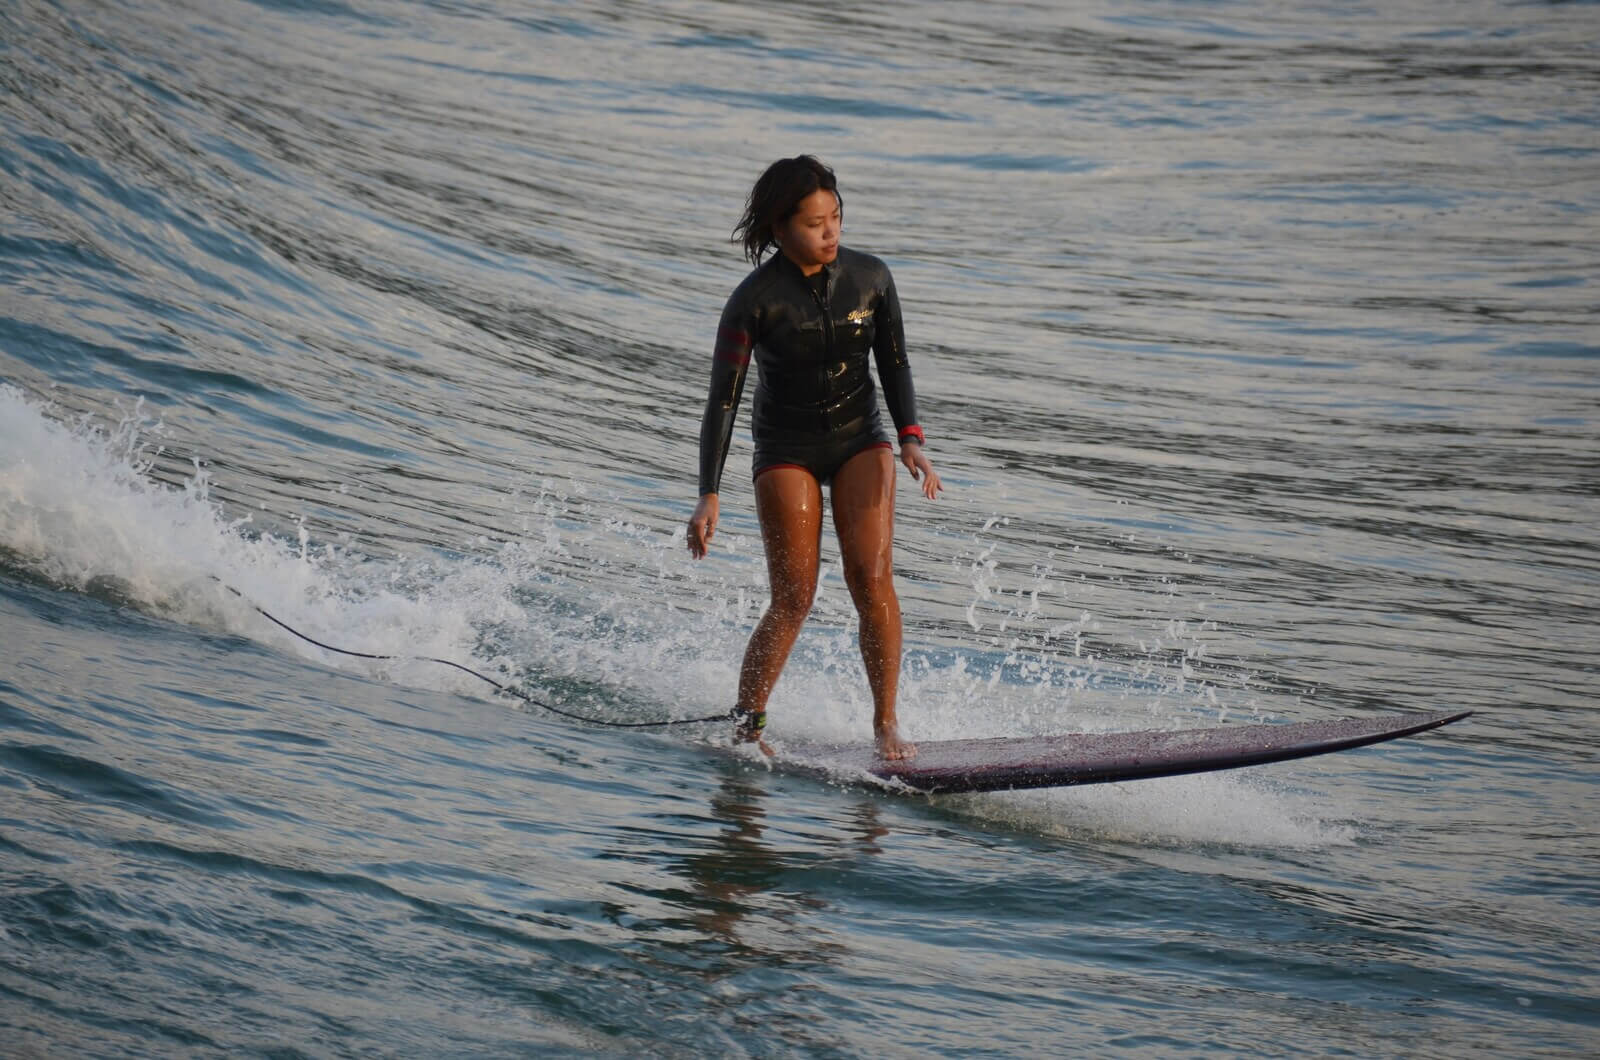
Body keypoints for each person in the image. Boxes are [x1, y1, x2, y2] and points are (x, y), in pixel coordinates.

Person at [686, 155, 941, 761]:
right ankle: (747, 728)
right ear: (780, 227)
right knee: (794, 596)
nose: (830, 232)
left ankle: (885, 725)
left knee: (871, 580)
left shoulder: (871, 278)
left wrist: (910, 438)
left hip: (862, 439)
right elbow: (723, 400)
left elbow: (895, 363)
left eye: (836, 218)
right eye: (814, 223)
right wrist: (709, 491)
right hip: (786, 449)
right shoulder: (754, 301)